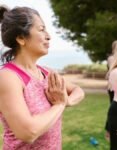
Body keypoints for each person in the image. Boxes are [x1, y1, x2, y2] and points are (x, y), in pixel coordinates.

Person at [0, 6, 84, 150]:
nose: (48, 36)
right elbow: (28, 132)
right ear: (21, 38)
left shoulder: (47, 72)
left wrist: (67, 101)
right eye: (41, 29)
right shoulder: (8, 77)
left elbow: (78, 90)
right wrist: (59, 105)